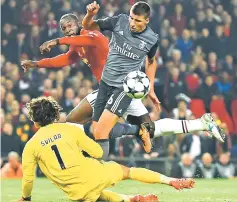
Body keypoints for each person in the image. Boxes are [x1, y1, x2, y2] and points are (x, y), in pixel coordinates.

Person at [82, 1, 225, 158]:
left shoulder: (151, 39)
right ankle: (200, 123)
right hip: (106, 84)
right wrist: (90, 15)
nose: (132, 23)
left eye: (138, 20)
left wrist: (150, 87)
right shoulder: (119, 21)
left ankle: (100, 175)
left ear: (147, 20)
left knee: (102, 130)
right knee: (144, 130)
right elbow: (88, 27)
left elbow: (150, 61)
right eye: (131, 18)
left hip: (125, 88)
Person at [18, 96, 195, 202]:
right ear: (56, 115)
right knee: (129, 172)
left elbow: (28, 180)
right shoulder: (70, 129)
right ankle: (170, 181)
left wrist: (26, 198)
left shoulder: (31, 146)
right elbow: (97, 152)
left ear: (34, 121)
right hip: (95, 172)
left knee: (97, 195)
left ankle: (130, 200)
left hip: (75, 191)